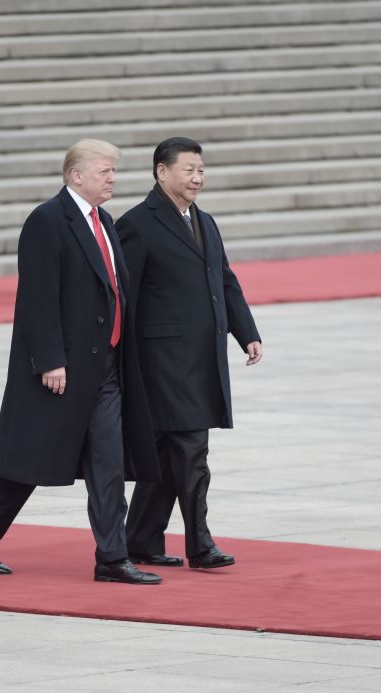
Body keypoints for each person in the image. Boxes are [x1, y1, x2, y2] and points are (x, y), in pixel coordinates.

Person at [0, 138, 163, 585]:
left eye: (114, 171)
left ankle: (112, 557)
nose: (113, 179)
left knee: (108, 465)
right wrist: (50, 360)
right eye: (105, 171)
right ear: (76, 175)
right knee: (33, 463)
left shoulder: (104, 221)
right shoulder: (47, 220)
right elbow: (36, 298)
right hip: (62, 371)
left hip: (105, 369)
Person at [116, 136, 262, 570]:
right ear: (162, 172)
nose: (197, 178)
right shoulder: (137, 224)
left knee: (166, 452)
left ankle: (140, 539)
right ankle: (200, 544)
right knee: (192, 451)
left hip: (201, 359)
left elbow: (225, 281)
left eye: (201, 171)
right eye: (189, 170)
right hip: (161, 363)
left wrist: (245, 331)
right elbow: (124, 296)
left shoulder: (206, 221)